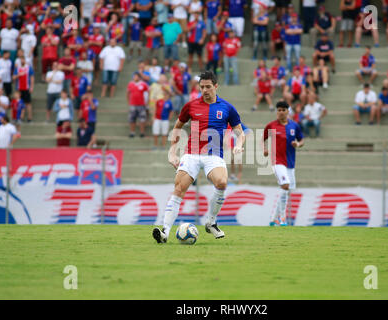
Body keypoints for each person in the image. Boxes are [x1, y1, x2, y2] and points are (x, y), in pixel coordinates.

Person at [152, 70, 245, 243]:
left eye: (208, 87)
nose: (205, 90)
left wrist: (239, 145)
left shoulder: (227, 107)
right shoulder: (191, 106)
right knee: (179, 188)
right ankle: (164, 232)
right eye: (202, 87)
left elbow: (240, 132)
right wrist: (172, 152)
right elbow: (178, 127)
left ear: (216, 86)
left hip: (214, 155)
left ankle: (211, 222)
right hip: (192, 154)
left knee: (222, 183)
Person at [263, 101, 304, 226]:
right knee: (285, 185)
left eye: (283, 110)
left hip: (290, 163)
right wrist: (264, 148)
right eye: (279, 110)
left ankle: (273, 218)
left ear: (288, 111)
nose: (281, 112)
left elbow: (301, 140)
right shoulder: (271, 125)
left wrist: (298, 144)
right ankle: (282, 218)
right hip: (277, 161)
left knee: (286, 190)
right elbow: (263, 138)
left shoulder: (294, 126)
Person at [127, 72, 149, 138]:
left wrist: (147, 102)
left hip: (141, 104)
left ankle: (142, 132)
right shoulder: (130, 84)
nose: (135, 77)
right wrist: (129, 101)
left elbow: (147, 92)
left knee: (142, 119)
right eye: (134, 76)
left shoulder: (143, 84)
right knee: (132, 119)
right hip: (133, 104)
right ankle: (132, 132)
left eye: (136, 76)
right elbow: (128, 93)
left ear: (139, 77)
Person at [12, 56, 34, 122]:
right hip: (19, 88)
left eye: (23, 59)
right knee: (18, 104)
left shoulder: (29, 68)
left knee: (28, 103)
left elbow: (32, 77)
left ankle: (29, 118)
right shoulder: (17, 69)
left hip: (26, 88)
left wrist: (32, 87)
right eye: (21, 60)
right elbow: (13, 78)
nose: (22, 61)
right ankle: (18, 118)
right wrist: (19, 75)